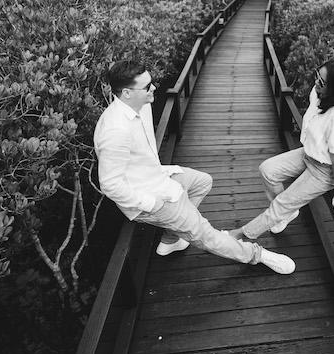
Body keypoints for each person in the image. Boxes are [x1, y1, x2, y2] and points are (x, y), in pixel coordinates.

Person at [93, 60, 295, 274]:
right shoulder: (115, 131)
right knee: (206, 234)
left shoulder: (140, 105)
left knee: (202, 182)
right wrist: (152, 203)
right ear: (126, 93)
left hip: (159, 177)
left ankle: (173, 239)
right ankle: (257, 255)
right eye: (147, 86)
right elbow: (110, 184)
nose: (154, 88)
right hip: (148, 197)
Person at [229, 58, 334, 241]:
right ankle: (287, 213)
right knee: (267, 170)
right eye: (317, 76)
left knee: (281, 204)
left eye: (322, 82)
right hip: (308, 155)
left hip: (325, 170)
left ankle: (240, 235)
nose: (316, 83)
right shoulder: (319, 93)